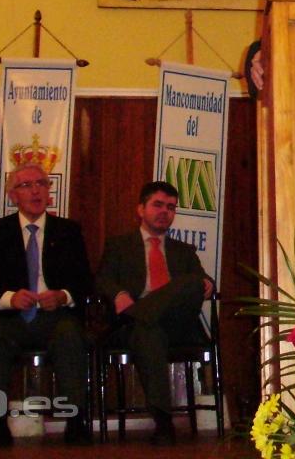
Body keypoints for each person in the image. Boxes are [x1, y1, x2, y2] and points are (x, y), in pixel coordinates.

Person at [0, 162, 94, 446]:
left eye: (42, 183)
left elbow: (85, 281)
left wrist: (63, 295)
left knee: (70, 333)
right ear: (13, 196)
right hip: (11, 318)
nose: (36, 190)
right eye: (27, 185)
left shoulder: (67, 231)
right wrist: (9, 298)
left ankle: (75, 420)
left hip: (55, 317)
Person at [96, 181, 214, 446]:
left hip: (178, 326)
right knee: (149, 332)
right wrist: (118, 294)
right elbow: (102, 280)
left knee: (193, 281)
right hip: (140, 331)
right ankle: (163, 421)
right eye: (158, 205)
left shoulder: (184, 251)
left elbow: (200, 282)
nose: (165, 212)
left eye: (171, 207)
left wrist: (207, 284)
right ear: (141, 209)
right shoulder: (119, 246)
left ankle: (140, 313)